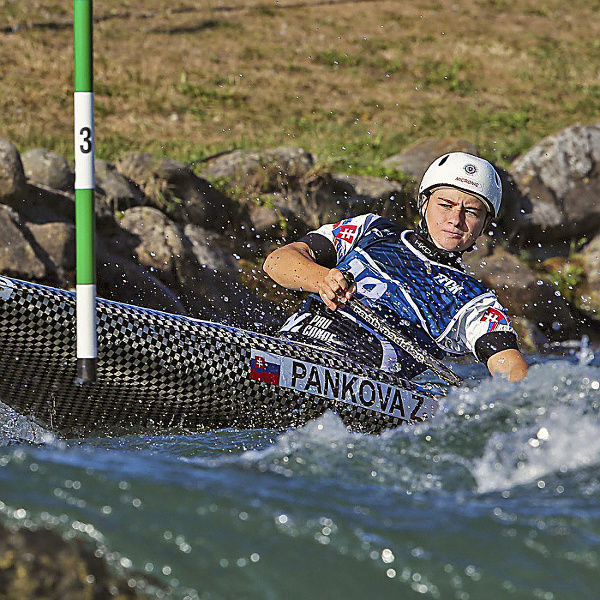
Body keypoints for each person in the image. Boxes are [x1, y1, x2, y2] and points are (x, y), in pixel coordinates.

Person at [263, 152, 529, 382]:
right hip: (284, 354)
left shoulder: (473, 301)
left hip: (360, 388)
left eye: (471, 212)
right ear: (424, 203)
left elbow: (510, 367)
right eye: (445, 205)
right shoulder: (369, 229)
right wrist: (320, 278)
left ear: (484, 224)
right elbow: (276, 262)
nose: (455, 219)